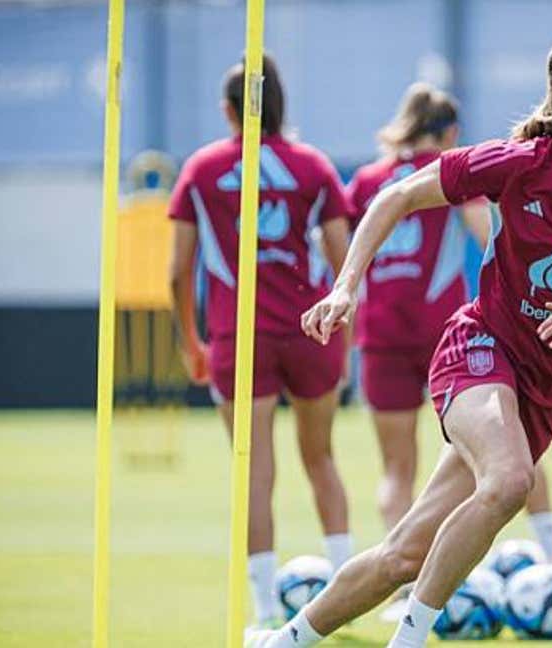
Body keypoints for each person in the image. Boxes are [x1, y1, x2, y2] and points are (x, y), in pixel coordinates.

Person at [246, 38, 552, 648]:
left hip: (547, 389)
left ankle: (283, 639)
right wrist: (346, 286)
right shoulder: (518, 162)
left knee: (403, 555)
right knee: (509, 482)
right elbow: (395, 196)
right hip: (480, 349)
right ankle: (410, 639)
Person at [344, 82, 552, 623]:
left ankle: (404, 583)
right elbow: (491, 234)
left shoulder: (365, 181)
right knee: (512, 446)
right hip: (443, 330)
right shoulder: (453, 169)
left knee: (396, 468)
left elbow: (342, 241)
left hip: (380, 334)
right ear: (450, 131)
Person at [168, 54, 355, 630]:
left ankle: (264, 616)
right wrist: (342, 334)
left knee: (254, 471)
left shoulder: (202, 170)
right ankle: (348, 595)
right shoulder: (313, 166)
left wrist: (190, 340)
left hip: (238, 335)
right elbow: (342, 258)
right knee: (321, 458)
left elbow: (178, 269)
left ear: (229, 110)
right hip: (311, 332)